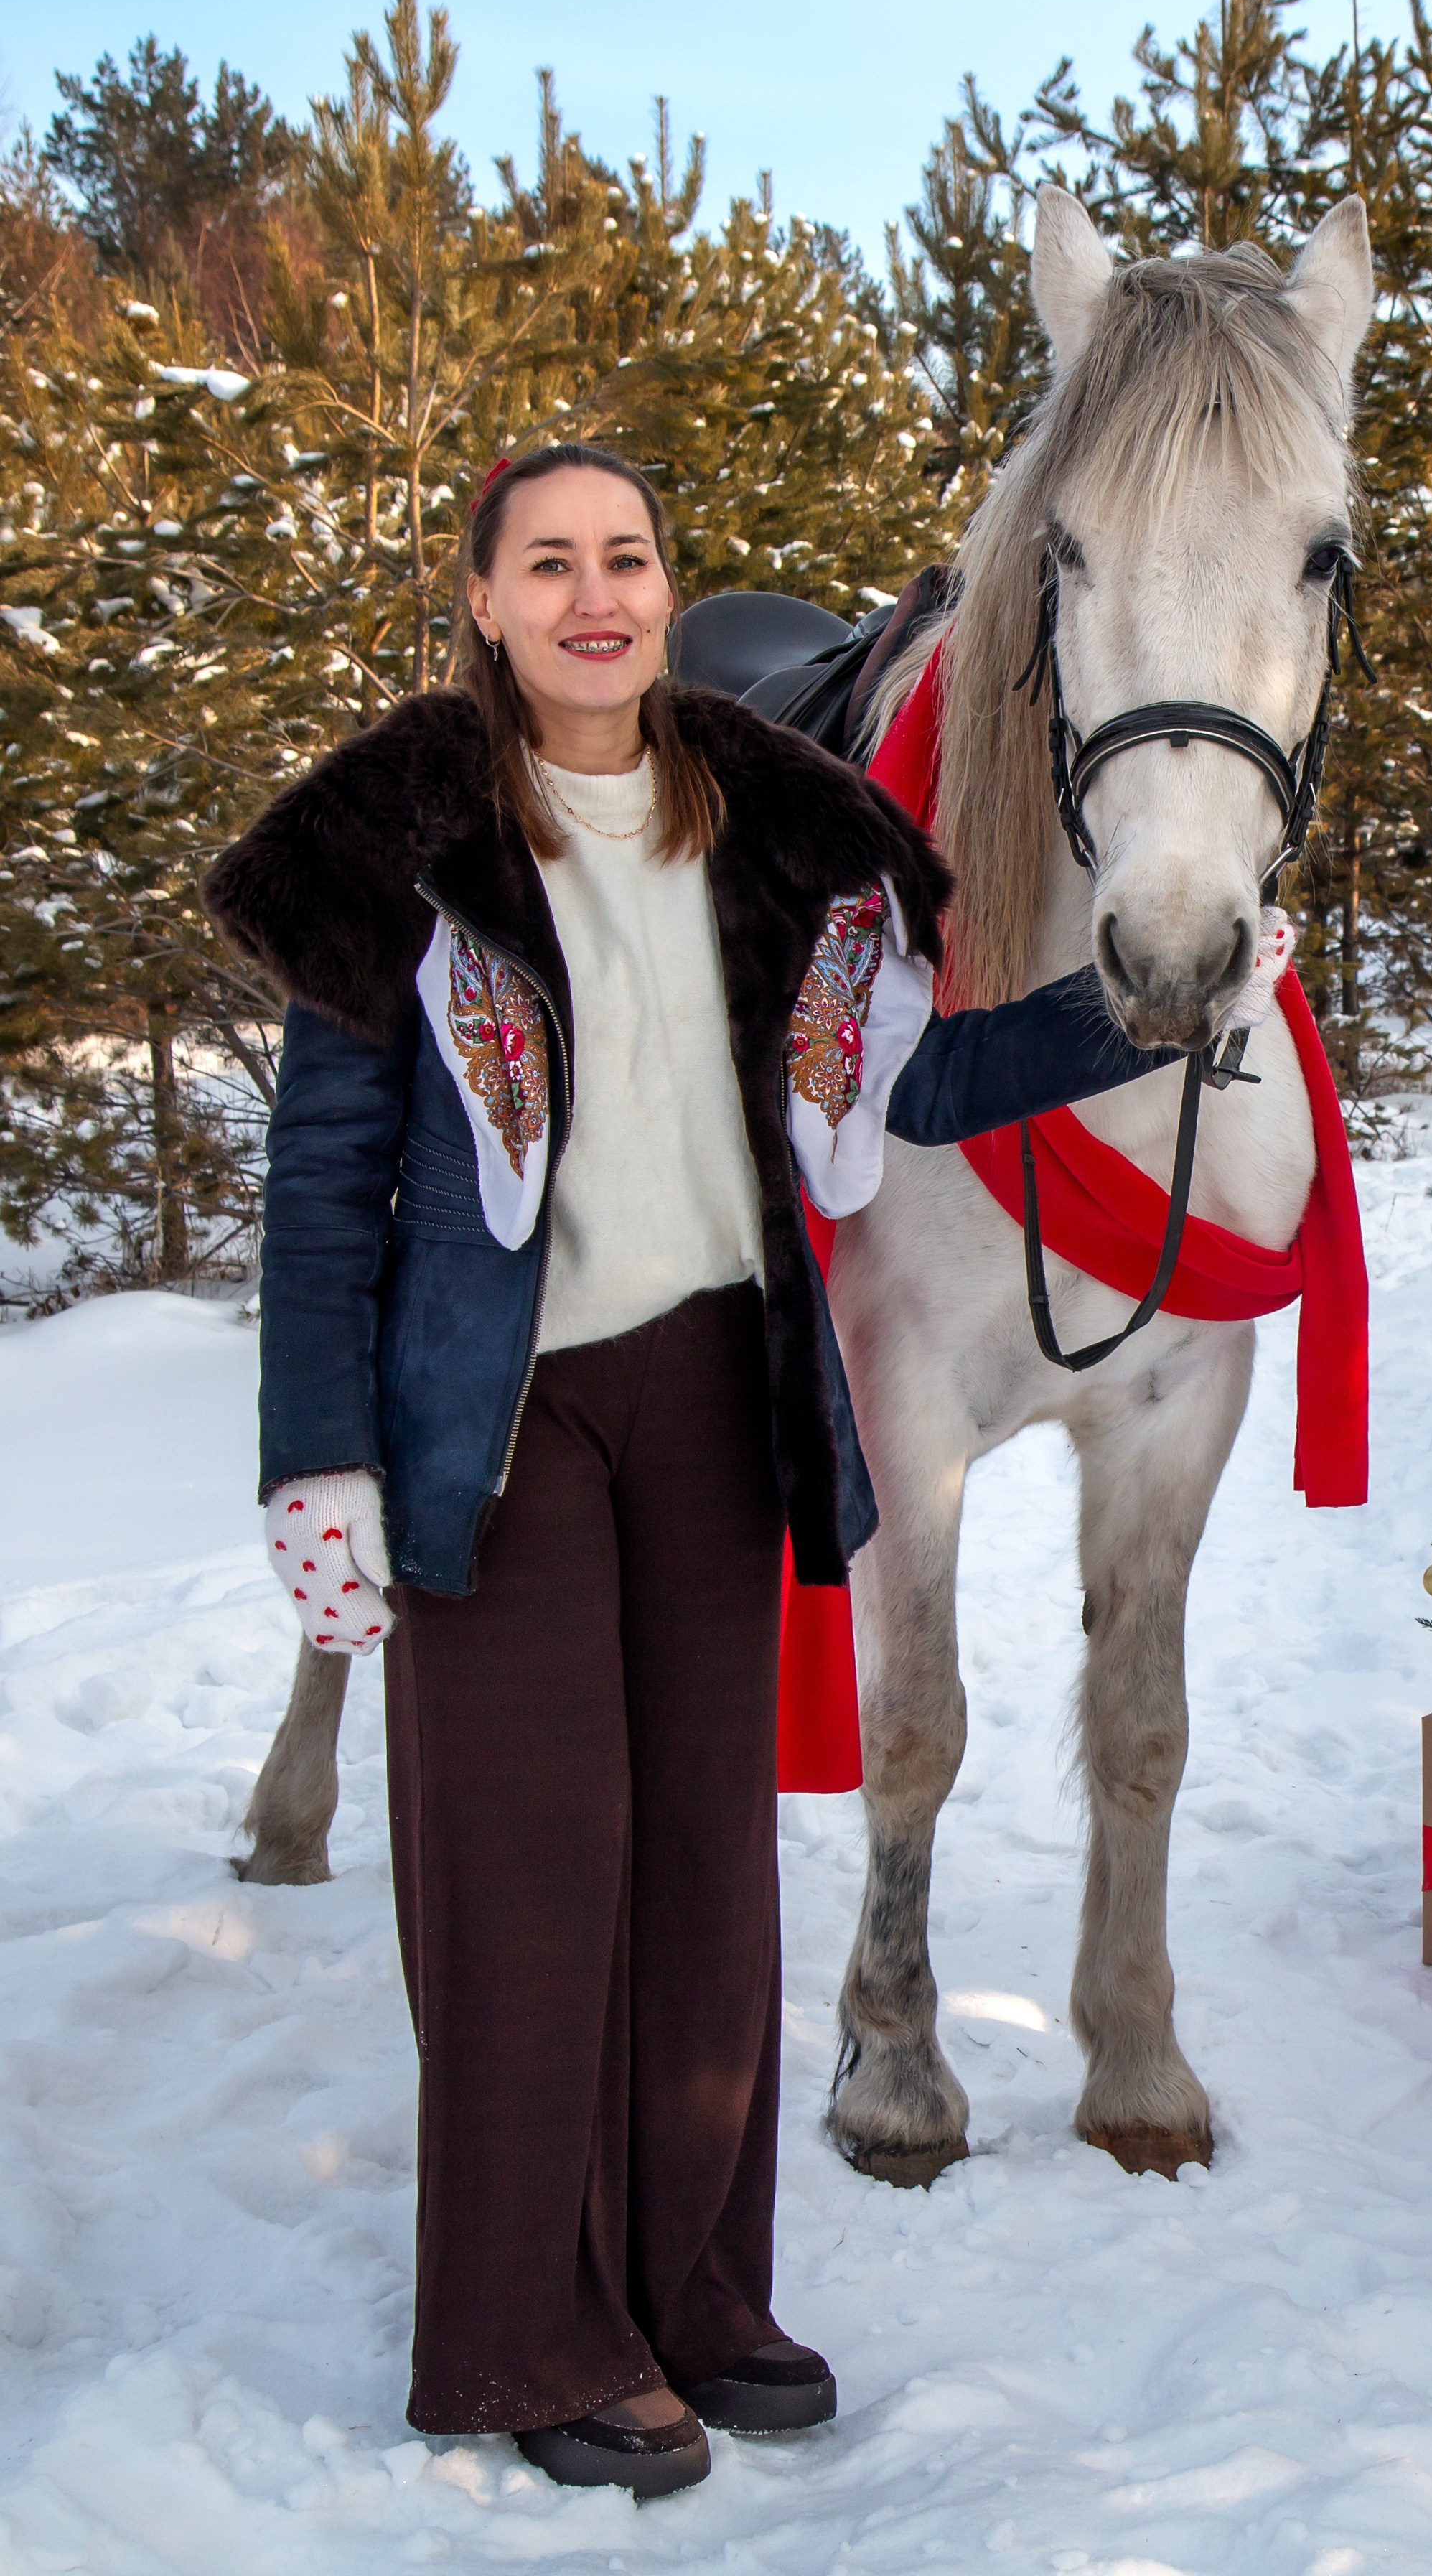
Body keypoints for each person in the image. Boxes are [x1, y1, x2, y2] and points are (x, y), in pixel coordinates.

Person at [204, 442, 1170, 2499]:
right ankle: (522, 2333)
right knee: (528, 1881)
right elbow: (316, 1189)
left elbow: (914, 1079)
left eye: (626, 556)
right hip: (504, 1426)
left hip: (716, 1400)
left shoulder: (775, 822)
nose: (594, 595)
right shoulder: (401, 833)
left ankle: (698, 2291)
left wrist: (1127, 1012)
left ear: (667, 584)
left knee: (708, 1890)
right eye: (545, 562)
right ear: (481, 599)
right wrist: (322, 1460)